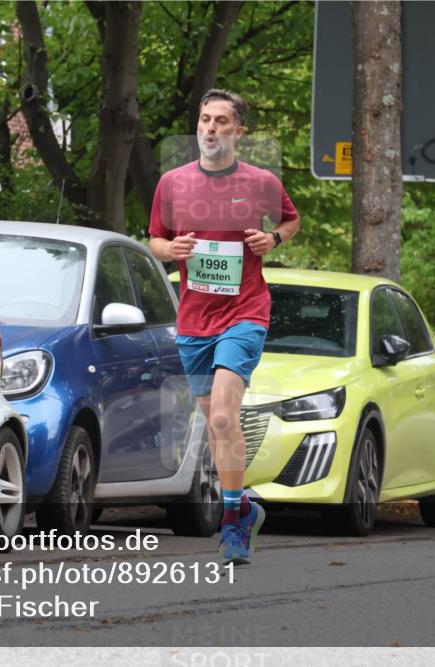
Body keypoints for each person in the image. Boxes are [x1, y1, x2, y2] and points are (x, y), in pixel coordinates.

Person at [148, 89, 301, 564]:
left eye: (220, 121)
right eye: (204, 119)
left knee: (221, 417)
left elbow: (291, 221)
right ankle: (246, 506)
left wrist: (271, 237)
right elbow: (155, 239)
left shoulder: (259, 182)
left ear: (238, 131)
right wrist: (171, 252)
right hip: (194, 320)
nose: (210, 129)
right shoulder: (173, 183)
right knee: (215, 428)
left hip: (245, 313)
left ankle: (232, 523)